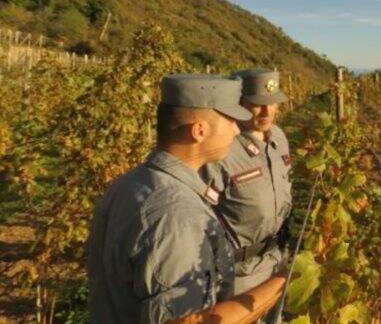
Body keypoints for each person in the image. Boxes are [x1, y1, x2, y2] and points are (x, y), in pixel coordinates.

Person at [87, 74, 287, 323]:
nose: (237, 130)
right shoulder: (176, 215)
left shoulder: (132, 184)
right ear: (199, 130)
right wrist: (282, 281)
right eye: (230, 121)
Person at [201, 69, 293, 323]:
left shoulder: (279, 138)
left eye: (272, 104)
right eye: (257, 105)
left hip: (276, 258)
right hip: (240, 274)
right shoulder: (223, 149)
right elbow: (200, 213)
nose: (266, 112)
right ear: (240, 104)